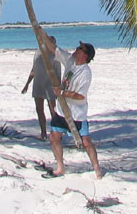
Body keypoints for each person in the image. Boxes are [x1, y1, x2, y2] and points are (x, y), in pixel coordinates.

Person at [35, 27, 103, 179]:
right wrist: (41, 33)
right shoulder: (70, 60)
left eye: (80, 49)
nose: (76, 49)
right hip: (61, 110)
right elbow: (53, 49)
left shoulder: (85, 72)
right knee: (54, 137)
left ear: (85, 56)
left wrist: (62, 93)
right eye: (78, 47)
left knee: (86, 142)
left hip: (77, 114)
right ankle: (60, 167)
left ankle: (97, 169)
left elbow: (79, 96)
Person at [21, 35, 60, 139]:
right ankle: (43, 133)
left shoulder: (55, 55)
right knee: (39, 110)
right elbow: (33, 70)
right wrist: (27, 84)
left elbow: (58, 73)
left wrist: (59, 88)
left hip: (50, 86)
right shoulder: (38, 53)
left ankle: (56, 133)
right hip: (38, 84)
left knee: (53, 110)